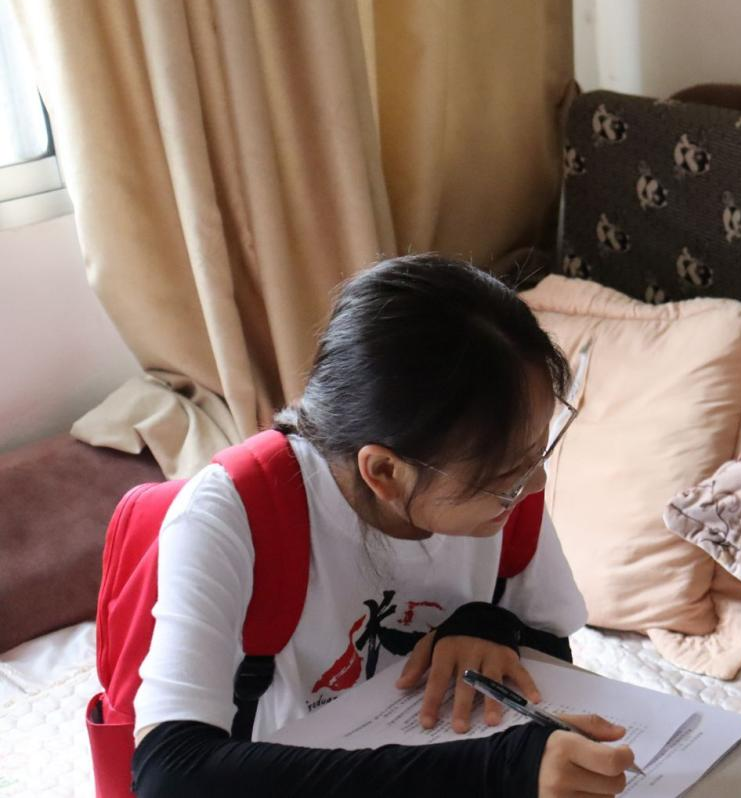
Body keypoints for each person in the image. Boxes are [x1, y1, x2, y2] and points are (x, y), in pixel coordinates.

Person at [131, 254, 633, 797]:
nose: (534, 484)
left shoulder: (502, 502)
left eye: (538, 453)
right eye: (506, 475)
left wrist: (491, 626)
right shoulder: (232, 515)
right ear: (385, 472)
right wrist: (493, 772)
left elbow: (547, 646)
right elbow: (168, 772)